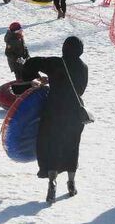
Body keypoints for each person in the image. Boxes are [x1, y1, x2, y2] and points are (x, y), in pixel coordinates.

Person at [21, 36, 88, 204]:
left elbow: (30, 63)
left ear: (64, 48)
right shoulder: (83, 67)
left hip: (54, 111)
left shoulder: (56, 63)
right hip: (74, 112)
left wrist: (34, 79)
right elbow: (80, 89)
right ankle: (71, 183)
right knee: (72, 146)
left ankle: (52, 181)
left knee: (52, 146)